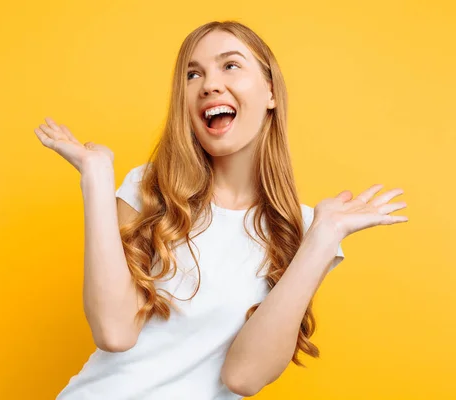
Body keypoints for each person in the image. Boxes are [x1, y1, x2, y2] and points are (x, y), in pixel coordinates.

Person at [33, 20, 408, 400]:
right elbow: (114, 331)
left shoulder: (305, 229)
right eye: (193, 74)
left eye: (230, 65)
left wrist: (324, 237)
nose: (209, 84)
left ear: (271, 93)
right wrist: (96, 177)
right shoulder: (148, 189)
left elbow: (244, 377)